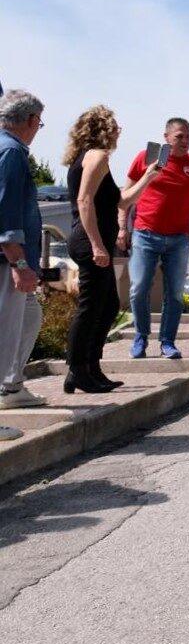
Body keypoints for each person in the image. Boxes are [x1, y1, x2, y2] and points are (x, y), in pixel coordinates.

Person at [63, 106, 159, 393]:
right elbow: (84, 201)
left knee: (107, 307)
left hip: (96, 241)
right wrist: (96, 244)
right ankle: (78, 370)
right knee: (92, 307)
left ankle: (90, 368)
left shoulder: (94, 158)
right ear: (103, 129)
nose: (119, 131)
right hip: (90, 242)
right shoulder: (97, 156)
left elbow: (121, 201)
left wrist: (148, 176)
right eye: (115, 126)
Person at [121, 118, 189, 360]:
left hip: (179, 239)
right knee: (139, 288)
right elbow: (125, 196)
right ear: (167, 137)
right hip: (145, 233)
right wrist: (122, 228)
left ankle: (167, 342)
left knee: (175, 293)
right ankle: (140, 336)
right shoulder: (146, 158)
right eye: (179, 136)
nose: (185, 141)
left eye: (188, 136)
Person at [0, 90, 48, 430]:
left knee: (29, 315)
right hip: (7, 262)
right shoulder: (12, 152)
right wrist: (19, 264)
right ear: (30, 120)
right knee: (4, 333)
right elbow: (7, 212)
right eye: (40, 122)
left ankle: (12, 385)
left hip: (10, 260)